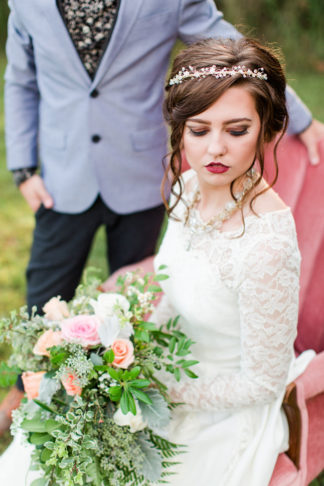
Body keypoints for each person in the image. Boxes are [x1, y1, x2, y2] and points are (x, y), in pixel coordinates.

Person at [0, 36, 316, 485]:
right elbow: (173, 282)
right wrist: (116, 347)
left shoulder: (267, 243)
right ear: (179, 130)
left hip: (222, 409)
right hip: (162, 364)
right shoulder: (187, 187)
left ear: (266, 128)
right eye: (199, 130)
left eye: (237, 130)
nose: (215, 150)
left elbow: (261, 385)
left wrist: (160, 393)